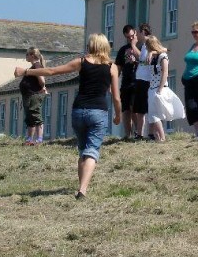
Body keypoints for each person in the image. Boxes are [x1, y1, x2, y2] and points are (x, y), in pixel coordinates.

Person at [14, 33, 121, 198]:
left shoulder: (81, 62)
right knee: (92, 151)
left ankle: (81, 186)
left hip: (78, 111)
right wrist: (118, 115)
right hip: (98, 112)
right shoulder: (112, 67)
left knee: (82, 150)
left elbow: (52, 71)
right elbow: (116, 97)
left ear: (91, 46)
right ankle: (82, 190)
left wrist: (25, 71)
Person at [146, 35, 184, 142]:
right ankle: (156, 136)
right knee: (154, 113)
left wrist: (160, 88)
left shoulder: (163, 57)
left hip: (159, 87)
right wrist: (152, 52)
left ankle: (162, 137)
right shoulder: (153, 57)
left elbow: (165, 72)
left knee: (155, 114)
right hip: (152, 87)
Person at [130, 23, 154, 141]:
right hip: (140, 79)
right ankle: (140, 134)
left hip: (147, 80)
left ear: (143, 31)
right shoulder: (144, 45)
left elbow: (162, 49)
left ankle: (151, 133)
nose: (136, 36)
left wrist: (133, 45)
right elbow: (142, 59)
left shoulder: (151, 42)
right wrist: (136, 60)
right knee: (139, 108)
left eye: (137, 33)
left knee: (147, 108)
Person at [19, 47, 46, 145]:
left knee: (35, 116)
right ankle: (29, 139)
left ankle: (39, 139)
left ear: (32, 55)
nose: (26, 56)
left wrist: (42, 88)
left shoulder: (37, 66)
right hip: (28, 95)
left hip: (34, 95)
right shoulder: (33, 67)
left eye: (27, 54)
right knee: (30, 118)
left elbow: (42, 80)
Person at [115, 24, 138, 139]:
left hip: (138, 81)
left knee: (135, 108)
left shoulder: (142, 46)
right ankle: (127, 134)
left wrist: (134, 47)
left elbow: (142, 59)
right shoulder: (123, 50)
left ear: (135, 33)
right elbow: (118, 68)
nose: (130, 39)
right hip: (126, 82)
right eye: (128, 37)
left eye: (132, 36)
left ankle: (138, 132)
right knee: (126, 109)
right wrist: (113, 82)